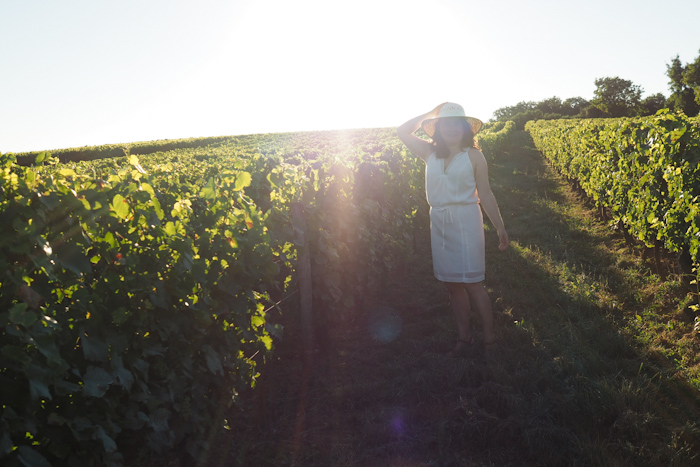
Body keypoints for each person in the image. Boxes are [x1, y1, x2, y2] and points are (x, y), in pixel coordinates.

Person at [397, 102, 509, 357]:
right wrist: (431, 113)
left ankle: (490, 338)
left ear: (465, 128)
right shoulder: (428, 152)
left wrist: (499, 227)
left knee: (473, 283)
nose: (452, 128)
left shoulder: (474, 155)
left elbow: (486, 193)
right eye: (445, 123)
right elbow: (402, 131)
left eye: (457, 123)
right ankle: (464, 337)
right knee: (452, 285)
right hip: (439, 221)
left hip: (466, 221)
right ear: (437, 128)